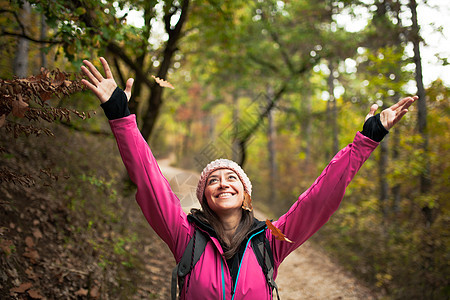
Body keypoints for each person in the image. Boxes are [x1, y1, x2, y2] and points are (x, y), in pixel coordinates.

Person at [81, 57, 417, 300]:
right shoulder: (186, 237)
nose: (223, 183)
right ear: (204, 197)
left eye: (232, 178)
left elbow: (319, 199)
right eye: (213, 180)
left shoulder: (270, 242)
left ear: (245, 194)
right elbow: (149, 180)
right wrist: (121, 116)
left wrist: (366, 140)